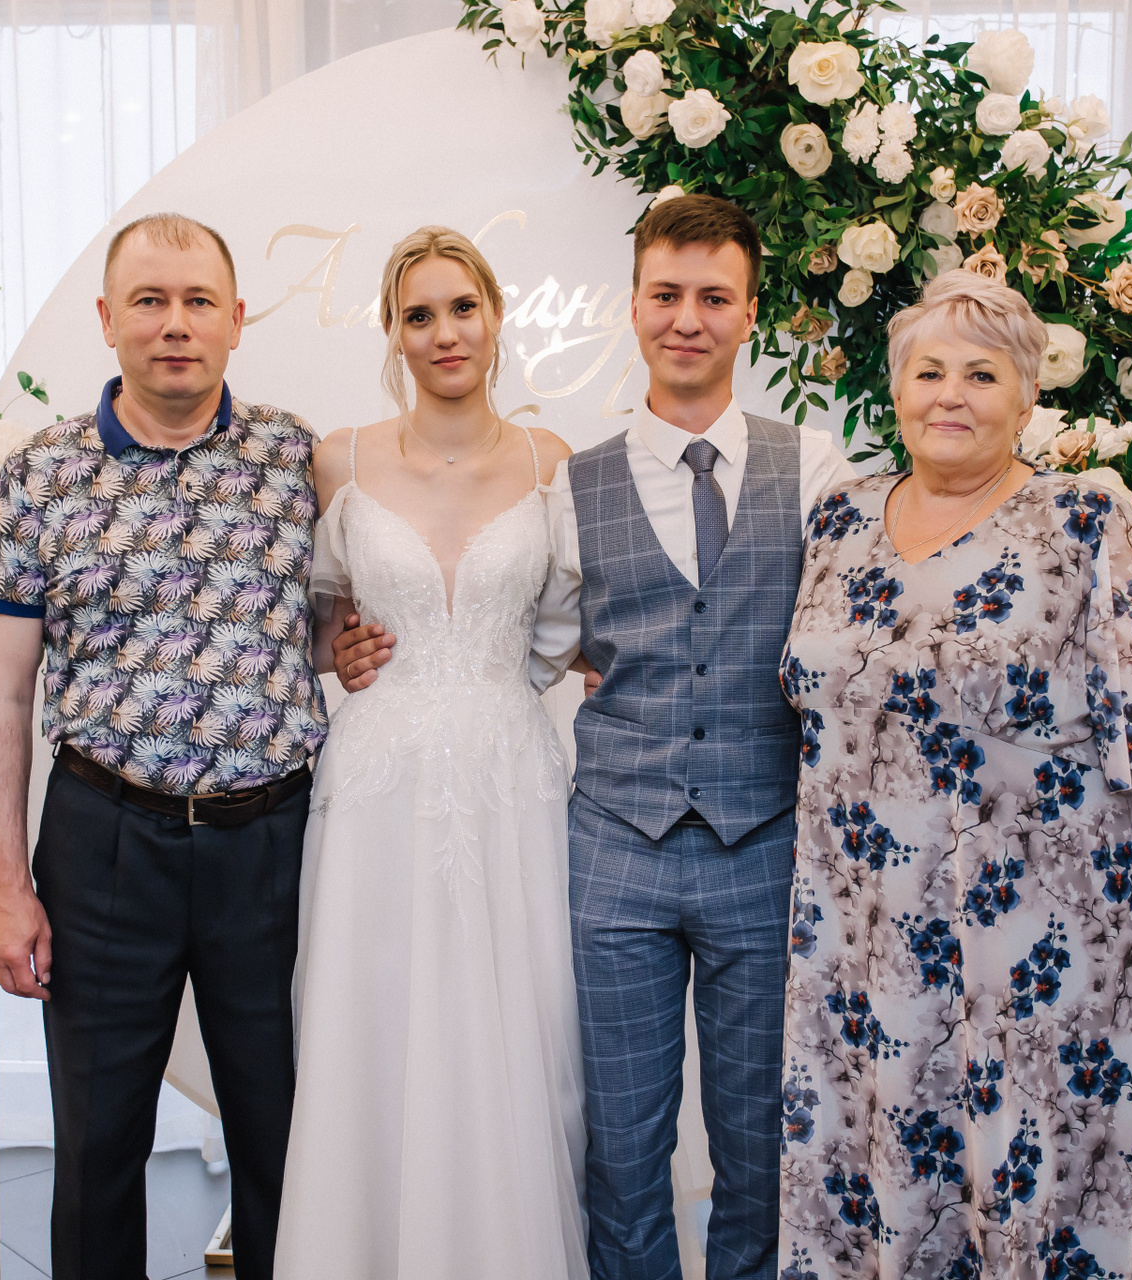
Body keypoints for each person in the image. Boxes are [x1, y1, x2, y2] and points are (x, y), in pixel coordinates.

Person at [336, 195, 856, 1279]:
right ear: (633, 305)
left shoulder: (817, 470)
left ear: (749, 312)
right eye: (666, 294)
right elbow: (541, 639)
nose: (687, 318)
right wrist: (363, 645)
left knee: (762, 1148)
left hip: (767, 845)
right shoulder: (572, 482)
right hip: (614, 850)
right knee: (619, 1152)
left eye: (714, 297)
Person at [774, 270, 1132, 1279]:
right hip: (862, 952)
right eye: (929, 371)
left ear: (1027, 399)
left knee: (1037, 1200)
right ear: (896, 390)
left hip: (1040, 956)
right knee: (883, 1188)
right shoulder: (838, 519)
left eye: (981, 375)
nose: (951, 394)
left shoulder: (1085, 520)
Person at [0, 212, 325, 1280]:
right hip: (104, 842)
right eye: (150, 301)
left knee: (284, 1135)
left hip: (272, 843)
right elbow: (1, 702)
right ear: (108, 318)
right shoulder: (38, 476)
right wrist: (5, 889)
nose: (176, 323)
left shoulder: (296, 461)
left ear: (237, 318)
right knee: (98, 1141)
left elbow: (332, 618)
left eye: (198, 300)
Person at [273, 226, 586, 1278]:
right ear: (393, 333)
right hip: (377, 786)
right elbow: (313, 623)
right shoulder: (341, 460)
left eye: (462, 308)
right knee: (374, 1017)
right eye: (419, 315)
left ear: (495, 318)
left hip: (510, 781)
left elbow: (565, 631)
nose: (444, 332)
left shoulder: (550, 463)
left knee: (520, 1024)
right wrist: (339, 649)